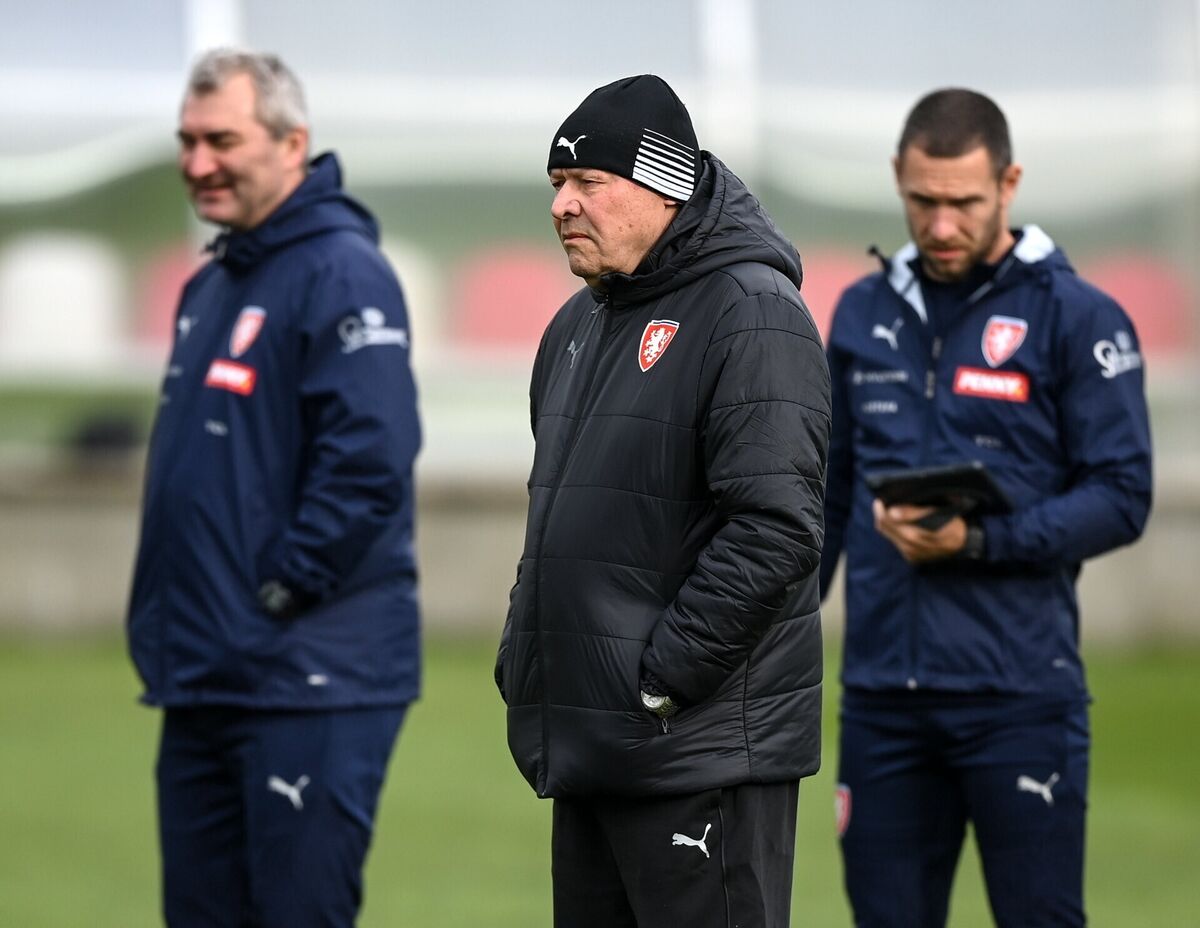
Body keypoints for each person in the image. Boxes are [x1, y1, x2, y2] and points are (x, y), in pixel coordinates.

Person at [494, 75, 831, 927]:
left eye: (588, 185)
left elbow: (774, 529)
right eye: (556, 187)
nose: (564, 206)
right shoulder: (576, 325)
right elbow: (561, 520)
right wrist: (526, 655)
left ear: (663, 183)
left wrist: (660, 681)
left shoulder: (753, 312)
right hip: (597, 747)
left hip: (696, 755)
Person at [820, 88, 1153, 927]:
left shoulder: (1077, 316)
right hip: (880, 704)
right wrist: (769, 637)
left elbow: (1123, 495)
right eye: (922, 201)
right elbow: (826, 496)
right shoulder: (862, 313)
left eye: (963, 203)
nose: (939, 225)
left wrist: (977, 540)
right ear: (898, 177)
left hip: (1018, 702)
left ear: (1008, 183)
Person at [126, 49, 421, 927]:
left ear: (294, 143)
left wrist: (281, 590)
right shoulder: (211, 282)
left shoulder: (344, 273)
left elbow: (371, 459)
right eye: (186, 140)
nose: (197, 162)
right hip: (207, 673)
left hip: (308, 675)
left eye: (222, 139)